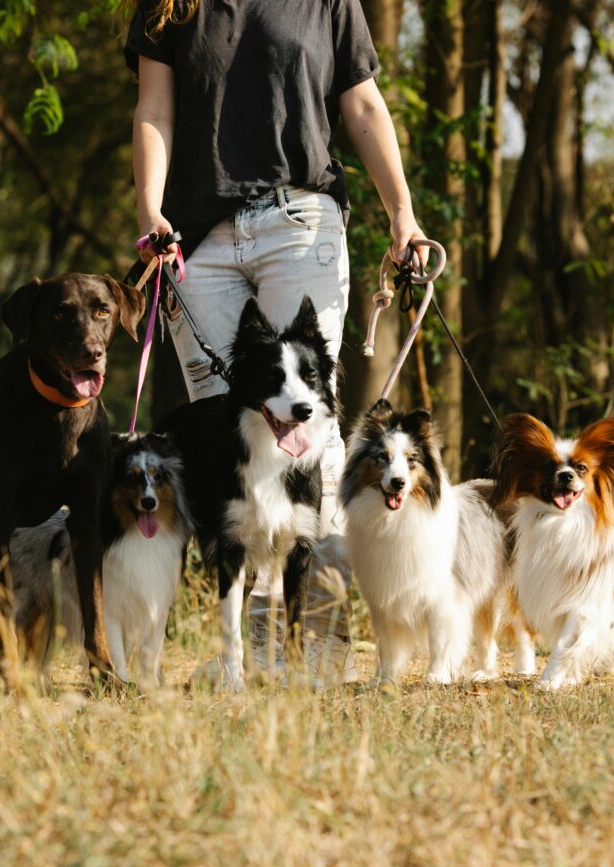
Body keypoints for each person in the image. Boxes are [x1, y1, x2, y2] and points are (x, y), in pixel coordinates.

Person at [126, 0, 426, 682]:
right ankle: (255, 654)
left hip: (302, 227)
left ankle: (319, 645)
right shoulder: (170, 6)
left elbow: (363, 107)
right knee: (233, 455)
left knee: (308, 443)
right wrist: (151, 210)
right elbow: (154, 112)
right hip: (198, 245)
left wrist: (402, 217)